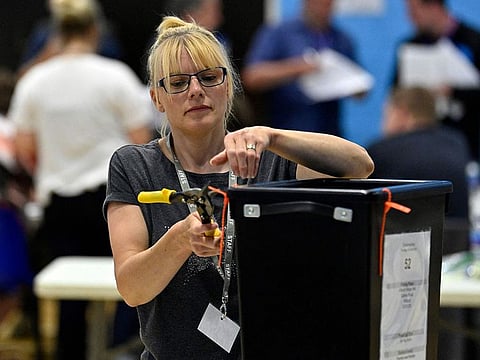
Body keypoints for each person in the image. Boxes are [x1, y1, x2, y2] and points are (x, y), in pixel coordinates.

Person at [103, 15, 374, 360]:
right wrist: (180, 239)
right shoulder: (134, 166)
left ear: (228, 85)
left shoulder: (265, 157)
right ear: (157, 98)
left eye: (209, 77)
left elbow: (360, 166)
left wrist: (273, 136)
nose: (196, 91)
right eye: (178, 83)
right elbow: (131, 288)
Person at [8, 0, 153, 359]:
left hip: (60, 201)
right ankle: (122, 352)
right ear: (95, 32)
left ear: (57, 34)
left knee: (70, 302)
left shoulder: (33, 81)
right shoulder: (115, 75)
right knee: (126, 288)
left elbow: (24, 148)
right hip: (112, 198)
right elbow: (141, 141)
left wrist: (59, 160)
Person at [367, 86, 471, 254]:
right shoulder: (457, 142)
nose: (383, 123)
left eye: (386, 115)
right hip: (456, 248)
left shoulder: (380, 151)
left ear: (402, 113)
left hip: (401, 252)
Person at [241, 0, 366, 135]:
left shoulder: (342, 39)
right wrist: (299, 68)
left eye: (329, 3)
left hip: (329, 134)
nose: (324, 6)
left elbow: (362, 89)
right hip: (286, 132)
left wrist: (345, 83)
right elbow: (252, 76)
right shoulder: (279, 33)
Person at [391, 0, 480, 160]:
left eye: (414, 12)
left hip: (466, 141)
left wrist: (454, 91)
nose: (411, 18)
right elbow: (395, 92)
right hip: (419, 141)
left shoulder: (473, 42)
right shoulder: (409, 46)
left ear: (435, 7)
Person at [17, 0, 124, 78]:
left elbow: (116, 72)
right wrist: (47, 54)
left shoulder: (103, 34)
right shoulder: (43, 33)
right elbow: (22, 77)